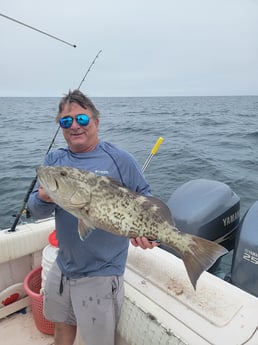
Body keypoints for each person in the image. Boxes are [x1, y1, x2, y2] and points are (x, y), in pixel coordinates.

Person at [27, 89, 158, 345]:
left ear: (96, 122)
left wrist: (151, 236)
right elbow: (36, 211)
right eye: (66, 121)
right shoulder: (55, 161)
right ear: (61, 127)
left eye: (82, 119)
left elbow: (147, 200)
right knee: (62, 326)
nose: (74, 126)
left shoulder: (120, 160)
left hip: (102, 273)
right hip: (63, 265)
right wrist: (43, 198)